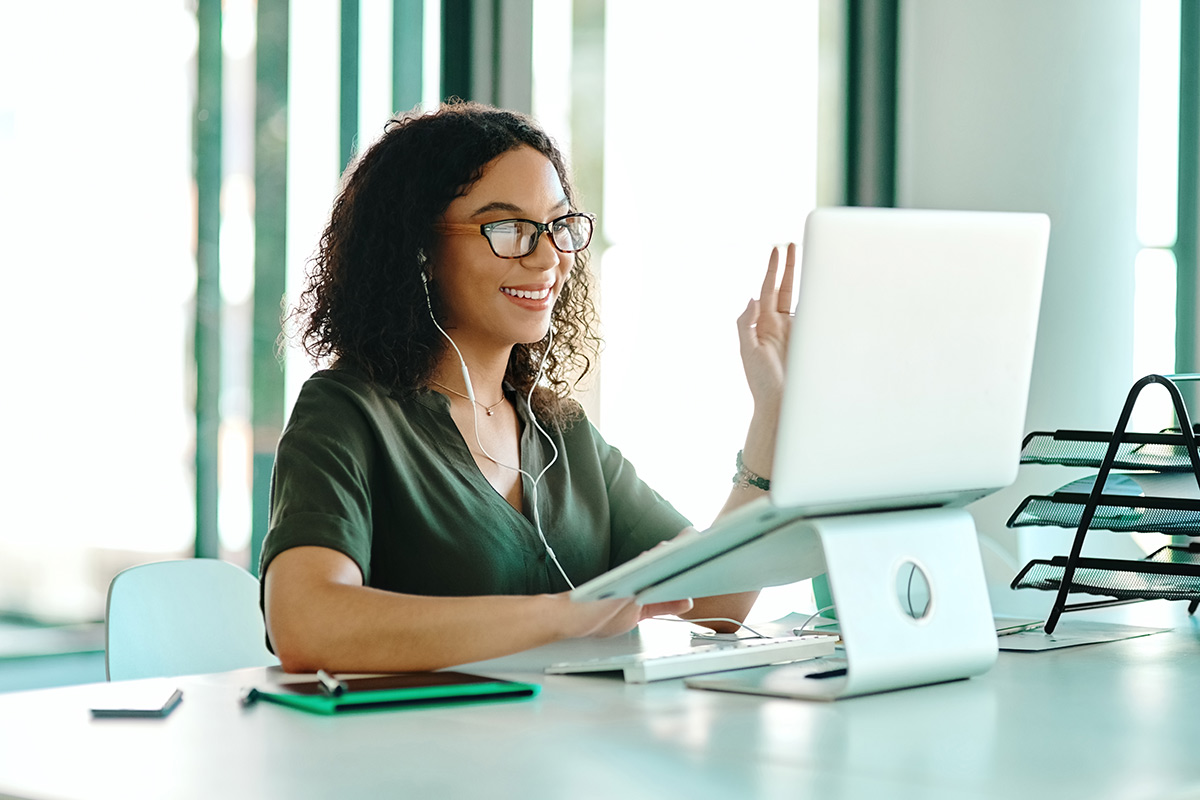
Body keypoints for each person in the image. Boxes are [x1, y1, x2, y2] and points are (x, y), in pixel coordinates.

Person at [261, 101, 796, 674]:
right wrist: (567, 614)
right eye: (509, 228)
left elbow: (715, 605)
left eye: (558, 225)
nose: (547, 257)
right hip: (413, 757)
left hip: (556, 755)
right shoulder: (347, 411)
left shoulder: (561, 432)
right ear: (419, 250)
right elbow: (306, 623)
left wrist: (773, 411)